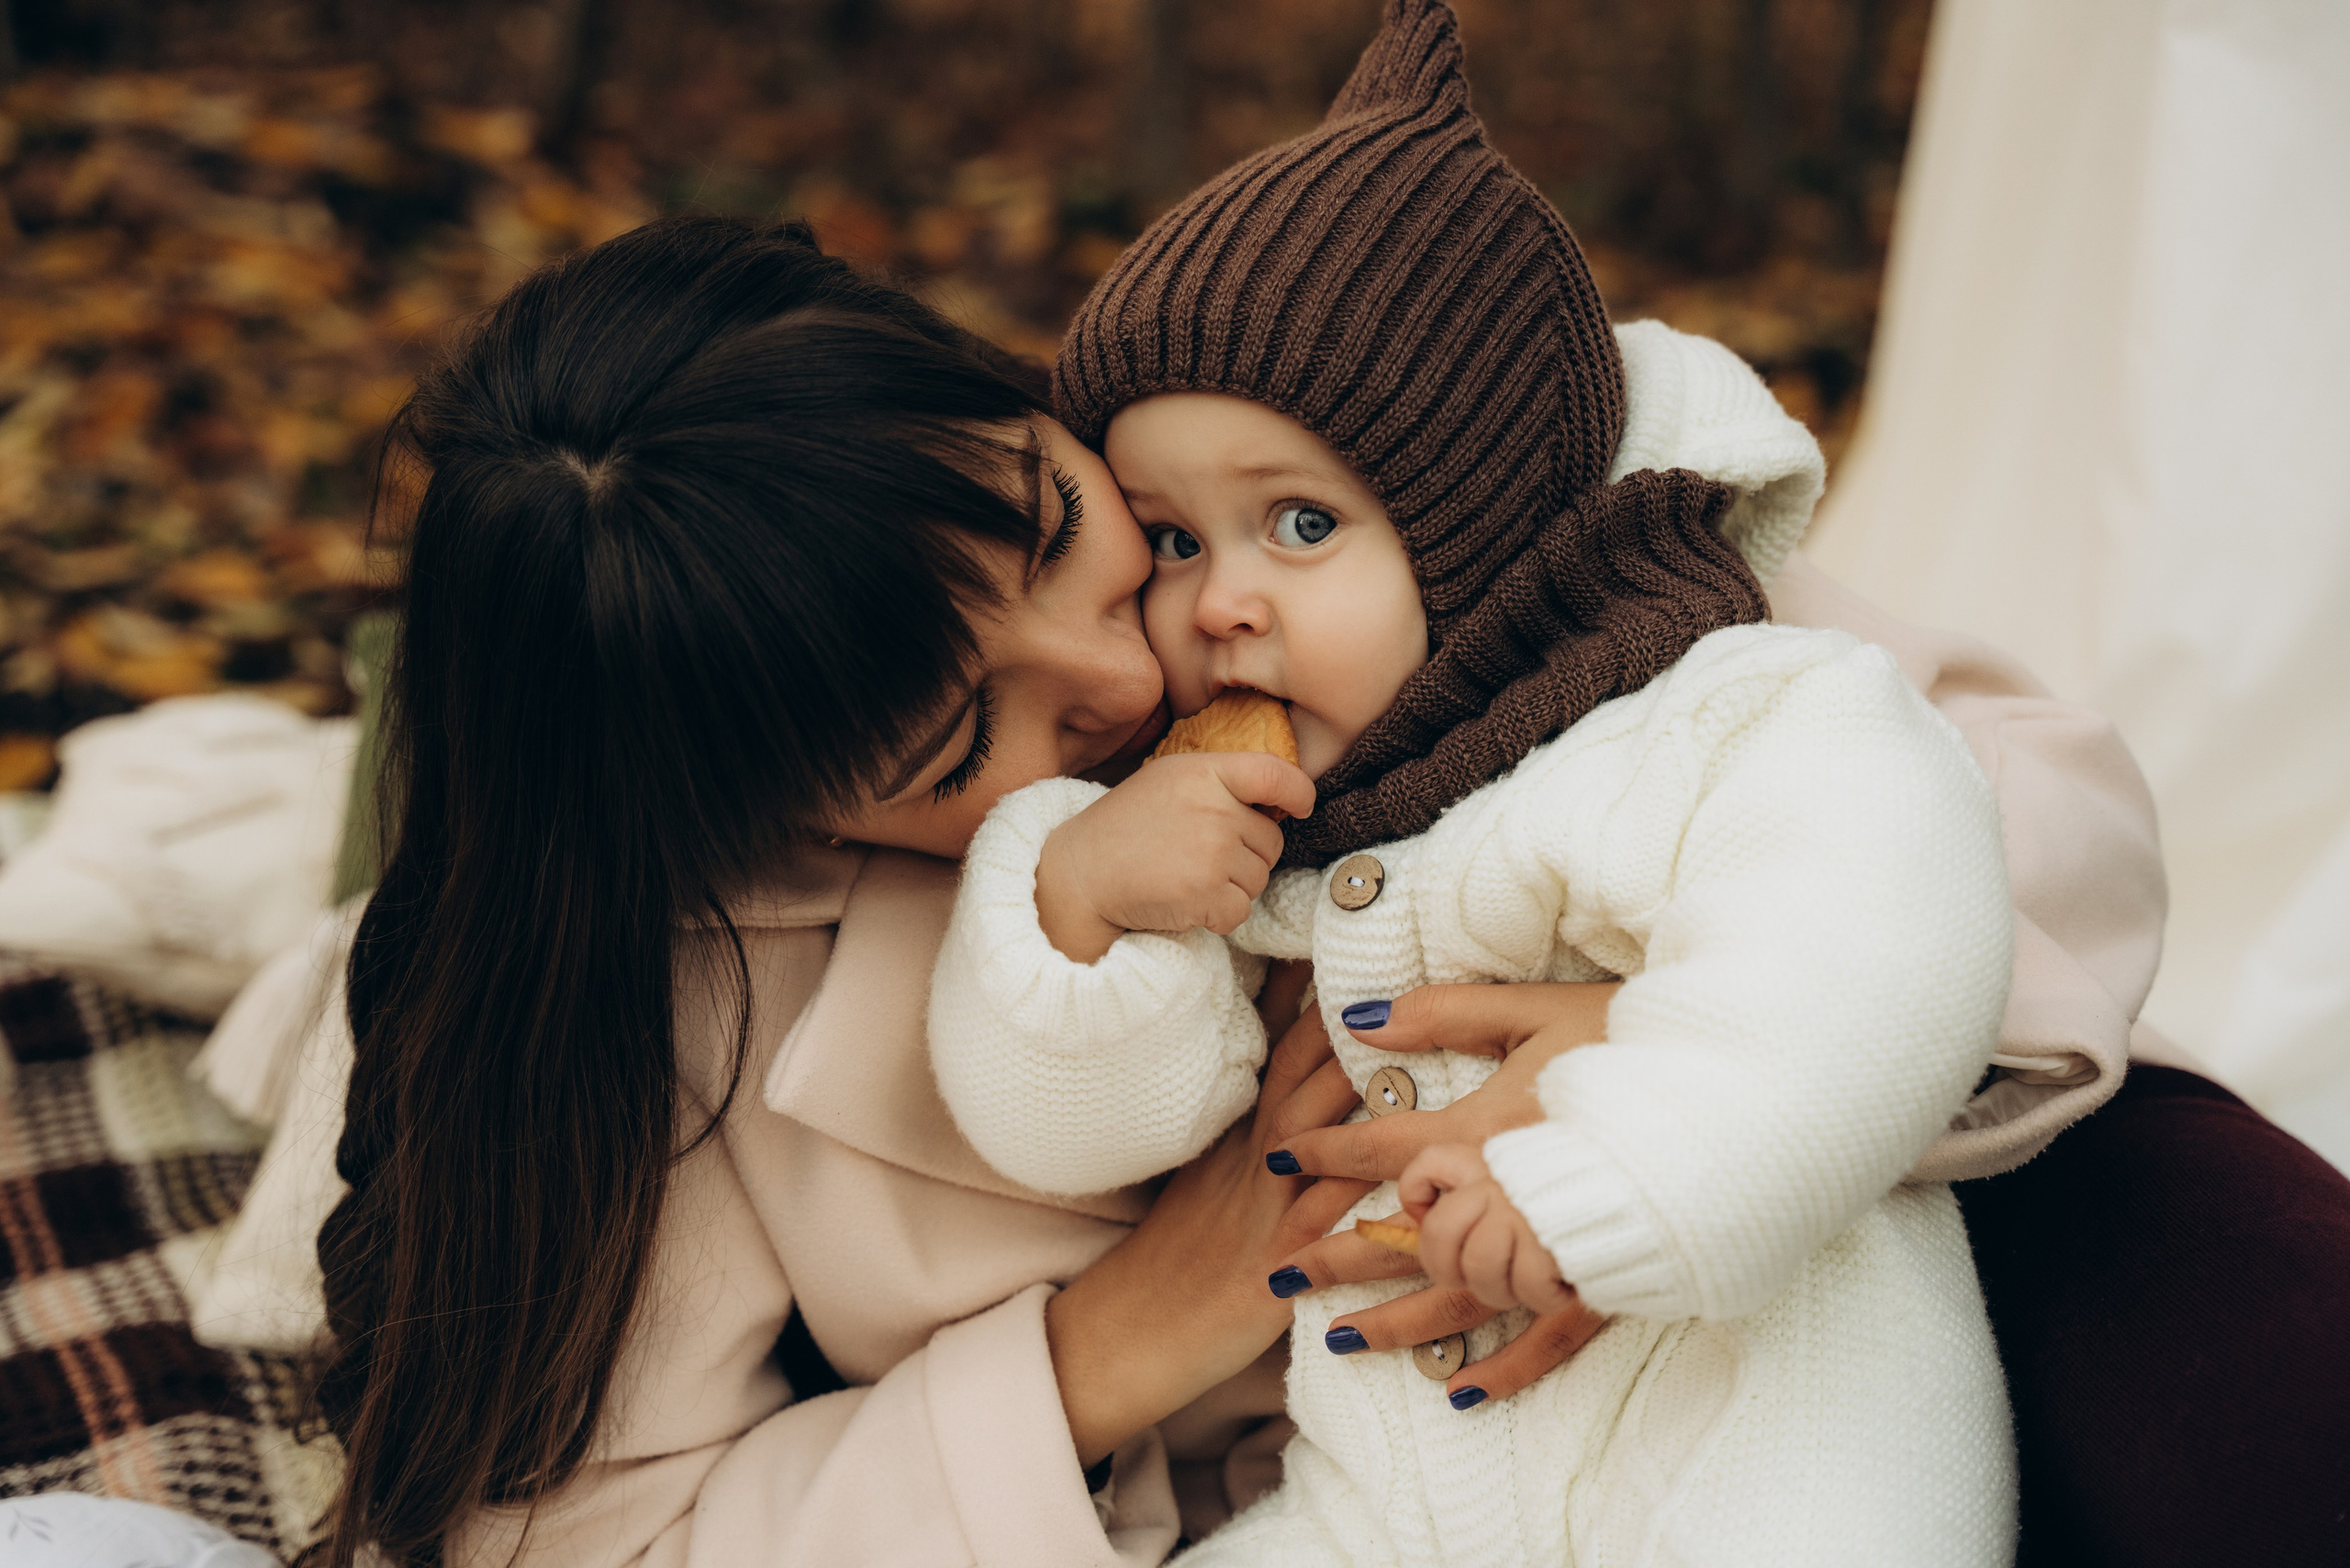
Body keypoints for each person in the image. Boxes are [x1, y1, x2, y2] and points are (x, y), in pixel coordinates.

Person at [278, 205, 2296, 1568]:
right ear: (788, 823)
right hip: (1362, 1464)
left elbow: (1999, 782)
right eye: (953, 746)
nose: (1135, 667)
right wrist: (1111, 1342)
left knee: (2273, 1381)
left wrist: (1670, 1043)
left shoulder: (1302, 473)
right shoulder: (670, 1008)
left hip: (1845, 1187)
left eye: (1057, 528)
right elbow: (588, 1537)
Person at [927, 4, 2012, 1561]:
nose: (1219, 600)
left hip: (1751, 1403)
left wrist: (1634, 1172)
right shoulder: (1254, 822)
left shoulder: (1716, 719)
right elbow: (1090, 1124)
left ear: (1476, 538)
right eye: (1173, 538)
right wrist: (1082, 901)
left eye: (1299, 527)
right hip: (1401, 1481)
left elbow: (1874, 948)